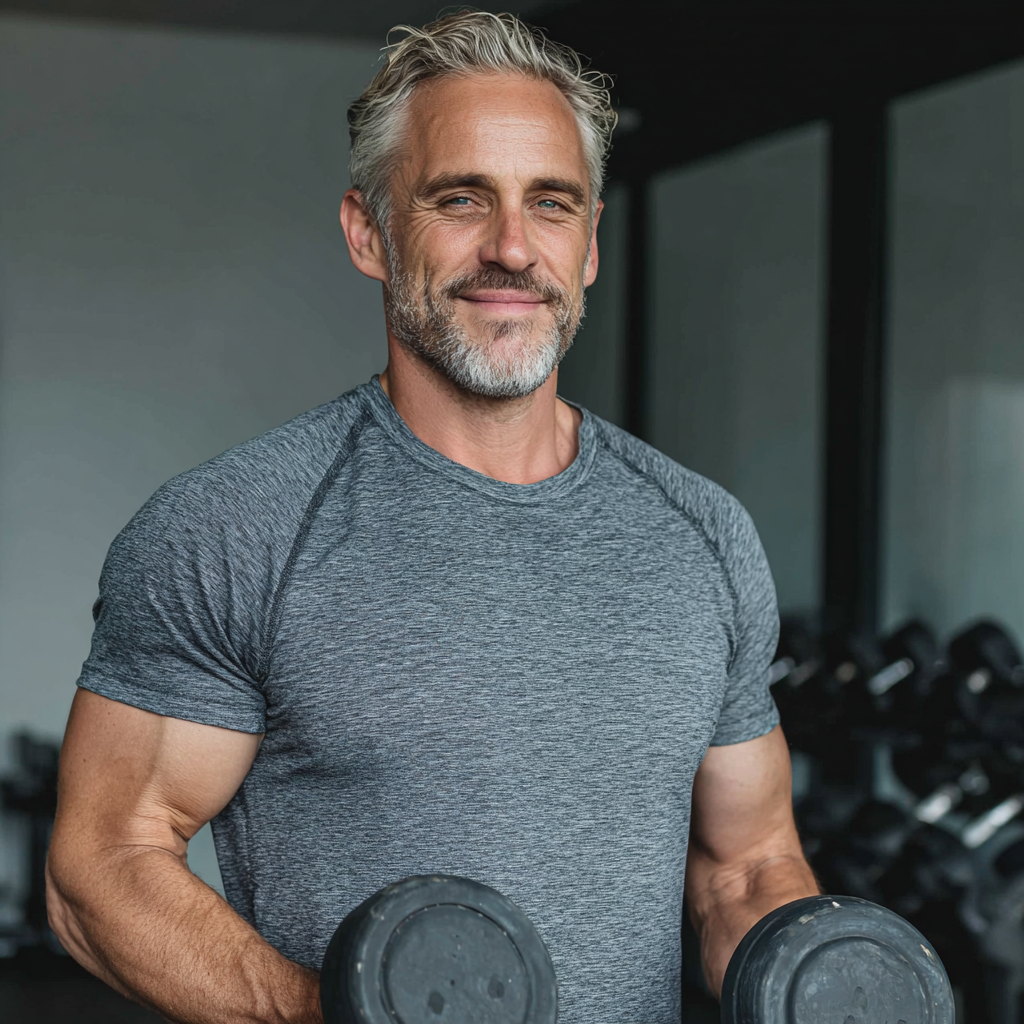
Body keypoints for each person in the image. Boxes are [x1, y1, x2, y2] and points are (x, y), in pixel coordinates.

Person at [46, 10, 818, 1024]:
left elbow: (747, 868)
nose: (511, 247)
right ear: (370, 232)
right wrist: (326, 1013)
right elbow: (100, 867)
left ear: (587, 246)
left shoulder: (702, 534)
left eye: (552, 204)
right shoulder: (236, 526)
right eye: (460, 198)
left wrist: (820, 978)